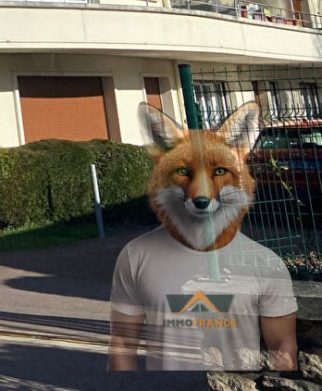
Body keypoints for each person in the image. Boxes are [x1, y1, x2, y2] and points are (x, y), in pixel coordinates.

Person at [108, 101, 297, 372]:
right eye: (184, 173)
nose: (200, 194)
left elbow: (283, 350)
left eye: (219, 172)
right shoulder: (136, 255)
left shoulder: (267, 264)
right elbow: (123, 345)